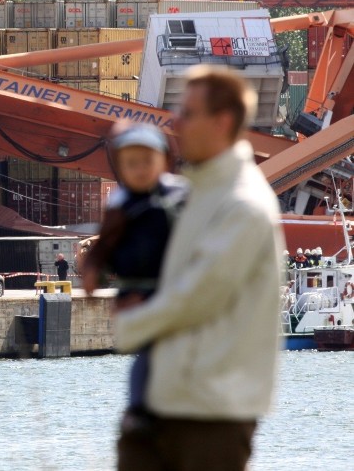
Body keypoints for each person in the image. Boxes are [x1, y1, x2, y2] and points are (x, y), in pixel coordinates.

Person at [113, 65, 284, 471]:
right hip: (168, 404)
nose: (175, 121)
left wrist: (129, 324)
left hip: (210, 416)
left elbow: (198, 296)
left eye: (188, 112)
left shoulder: (242, 205)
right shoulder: (197, 194)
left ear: (222, 122)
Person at [80, 121, 188, 420]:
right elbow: (104, 247)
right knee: (148, 357)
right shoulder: (120, 204)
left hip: (171, 291)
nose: (139, 169)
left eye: (146, 162)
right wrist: (91, 270)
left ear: (164, 161)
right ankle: (140, 408)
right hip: (136, 290)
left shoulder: (178, 198)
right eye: (131, 164)